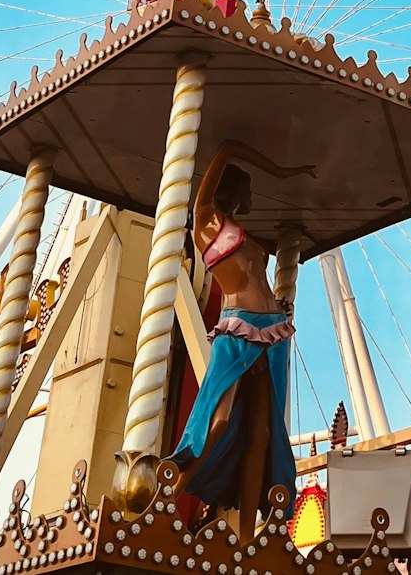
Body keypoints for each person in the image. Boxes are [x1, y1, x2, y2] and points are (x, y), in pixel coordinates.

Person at [171, 138, 315, 541]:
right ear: (232, 188)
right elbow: (231, 147)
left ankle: (248, 535)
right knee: (215, 421)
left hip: (273, 332)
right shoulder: (204, 220)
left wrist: (280, 305)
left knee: (263, 433)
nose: (252, 195)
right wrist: (283, 171)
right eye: (247, 188)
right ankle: (164, 503)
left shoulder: (248, 236)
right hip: (237, 327)